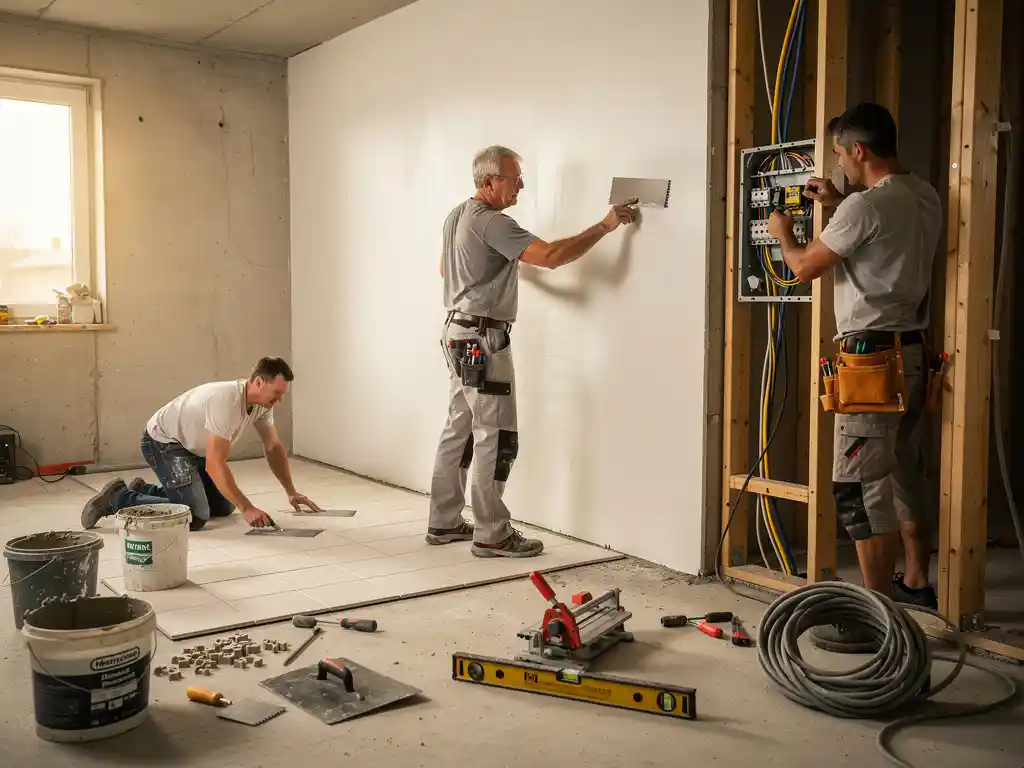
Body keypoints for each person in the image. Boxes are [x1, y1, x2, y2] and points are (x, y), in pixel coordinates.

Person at [767, 102, 942, 650]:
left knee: (858, 486)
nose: (838, 163)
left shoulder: (863, 207)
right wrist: (840, 205)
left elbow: (802, 267)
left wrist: (783, 231)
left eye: (840, 154)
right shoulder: (923, 194)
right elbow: (881, 234)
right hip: (913, 355)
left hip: (869, 362)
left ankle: (874, 618)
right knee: (903, 470)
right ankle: (914, 583)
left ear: (858, 151)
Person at [426, 145, 639, 558]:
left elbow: (444, 269)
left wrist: (488, 276)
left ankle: (444, 520)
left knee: (461, 428)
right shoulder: (493, 223)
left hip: (457, 332)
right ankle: (492, 533)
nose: (521, 184)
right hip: (484, 340)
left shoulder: (458, 215)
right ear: (489, 182)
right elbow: (552, 257)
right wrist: (605, 225)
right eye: (513, 177)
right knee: (496, 435)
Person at [81, 357, 321, 532]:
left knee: (224, 507)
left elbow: (273, 447)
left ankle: (146, 490)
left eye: (282, 395)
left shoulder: (261, 405)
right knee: (195, 516)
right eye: (277, 393)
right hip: (165, 442)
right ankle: (119, 498)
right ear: (258, 382)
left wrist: (291, 491)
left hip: (194, 448)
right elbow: (215, 465)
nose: (279, 401)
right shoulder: (226, 401)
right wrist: (248, 508)